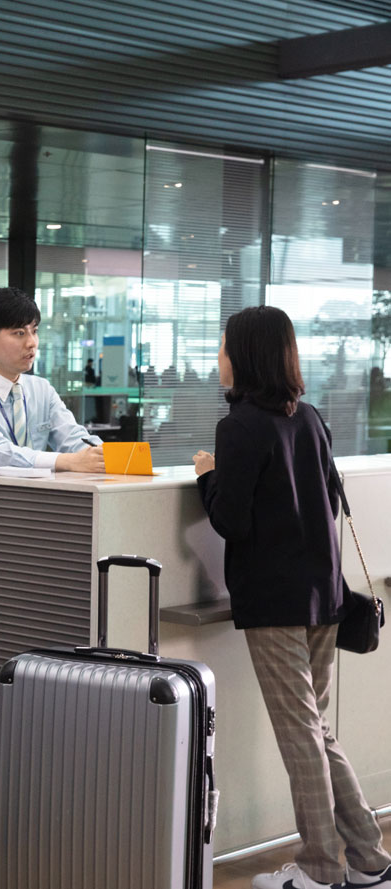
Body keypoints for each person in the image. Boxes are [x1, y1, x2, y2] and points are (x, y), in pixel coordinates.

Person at [194, 306, 391, 889]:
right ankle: (369, 859)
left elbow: (230, 520)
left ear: (244, 355)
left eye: (224, 347)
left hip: (275, 602)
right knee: (316, 729)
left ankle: (320, 868)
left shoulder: (239, 427)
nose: (218, 357)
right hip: (324, 594)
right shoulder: (308, 417)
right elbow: (326, 500)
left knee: (301, 734)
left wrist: (207, 476)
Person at [0, 287, 105, 596]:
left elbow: (72, 438)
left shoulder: (41, 390)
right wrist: (70, 462)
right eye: (19, 333)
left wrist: (100, 454)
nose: (32, 343)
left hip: (28, 528)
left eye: (34, 331)